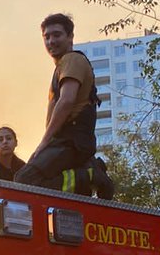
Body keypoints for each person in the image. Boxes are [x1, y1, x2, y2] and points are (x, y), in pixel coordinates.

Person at [15, 13, 98, 192]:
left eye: (57, 35)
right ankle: (80, 181)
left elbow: (67, 101)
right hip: (69, 142)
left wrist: (45, 142)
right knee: (54, 188)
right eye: (47, 37)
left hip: (72, 141)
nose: (51, 41)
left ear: (70, 37)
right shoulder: (61, 67)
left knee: (25, 179)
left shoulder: (72, 60)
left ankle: (90, 175)